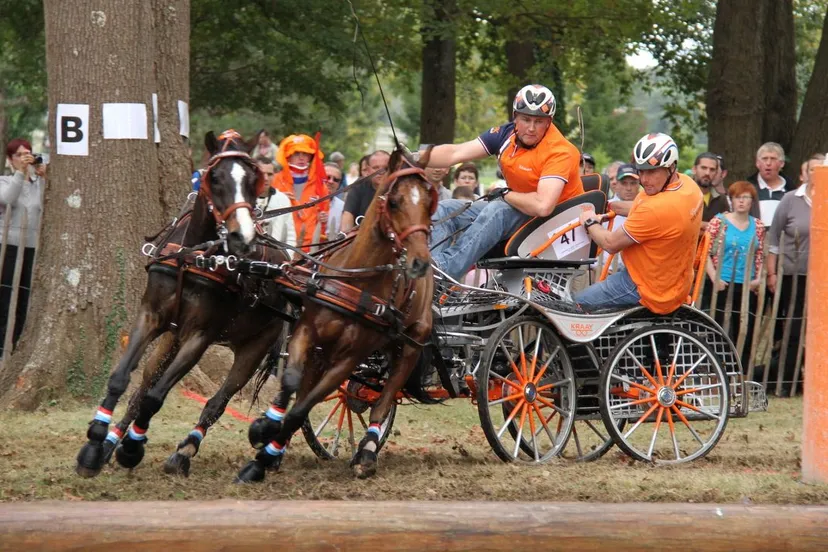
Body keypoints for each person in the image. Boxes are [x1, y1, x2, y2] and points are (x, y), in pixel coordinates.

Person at [424, 84, 583, 279]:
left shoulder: (560, 151)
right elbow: (455, 153)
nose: (531, 128)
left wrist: (506, 194)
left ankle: (443, 270)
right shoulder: (505, 134)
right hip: (520, 209)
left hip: (555, 221)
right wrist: (414, 157)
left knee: (497, 209)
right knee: (445, 208)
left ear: (549, 122)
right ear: (515, 116)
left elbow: (543, 206)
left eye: (539, 121)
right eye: (525, 119)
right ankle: (428, 276)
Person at [573, 133, 703, 314]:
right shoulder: (689, 187)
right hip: (673, 283)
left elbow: (610, 243)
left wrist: (588, 220)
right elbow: (643, 208)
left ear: (671, 167)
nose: (644, 180)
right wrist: (610, 206)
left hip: (642, 285)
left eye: (651, 172)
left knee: (576, 304)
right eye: (641, 171)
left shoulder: (656, 209)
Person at [764, 152, 823, 392]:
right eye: (812, 170)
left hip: (822, 279)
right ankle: (788, 381)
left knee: (820, 330)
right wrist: (772, 273)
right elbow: (774, 238)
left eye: (821, 170)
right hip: (793, 277)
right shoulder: (790, 200)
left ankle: (818, 380)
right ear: (803, 173)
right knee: (793, 329)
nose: (816, 175)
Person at [704, 181, 765, 363]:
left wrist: (758, 278)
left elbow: (760, 253)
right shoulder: (718, 222)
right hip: (721, 284)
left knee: (745, 329)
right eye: (737, 197)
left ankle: (742, 372)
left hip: (746, 285)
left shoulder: (758, 226)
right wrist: (714, 277)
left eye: (746, 197)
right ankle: (721, 370)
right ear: (731, 200)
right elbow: (705, 251)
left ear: (752, 201)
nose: (741, 201)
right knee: (720, 328)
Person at [0, 138, 45, 355]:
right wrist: (20, 173)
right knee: (4, 298)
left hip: (31, 249)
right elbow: (8, 199)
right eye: (19, 154)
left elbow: (46, 206)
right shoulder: (4, 181)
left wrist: (41, 174)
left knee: (24, 300)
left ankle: (16, 349)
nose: (24, 158)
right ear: (10, 159)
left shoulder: (38, 185)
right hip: (7, 246)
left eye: (27, 153)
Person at [271, 134, 329, 249]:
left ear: (310, 157)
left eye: (305, 154)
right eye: (296, 154)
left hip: (310, 249)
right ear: (288, 156)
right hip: (279, 245)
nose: (301, 158)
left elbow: (324, 219)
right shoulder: (275, 181)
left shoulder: (320, 186)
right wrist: (279, 199)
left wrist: (324, 219)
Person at [601, 163, 640, 273]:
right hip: (604, 270)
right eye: (624, 183)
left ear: (639, 184)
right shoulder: (603, 206)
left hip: (634, 274)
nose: (629, 188)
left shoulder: (648, 207)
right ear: (616, 184)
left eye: (633, 183)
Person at [340, 150, 391, 232]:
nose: (381, 172)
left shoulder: (399, 187)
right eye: (375, 168)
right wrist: (345, 235)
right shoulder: (358, 185)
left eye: (386, 168)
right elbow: (348, 214)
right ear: (368, 170)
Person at [747, 142, 795, 226]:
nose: (768, 163)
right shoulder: (747, 189)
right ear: (757, 163)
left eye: (773, 159)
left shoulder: (791, 190)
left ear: (782, 163)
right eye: (764, 159)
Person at [256, 157, 296, 248]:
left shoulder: (282, 199)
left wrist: (287, 256)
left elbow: (290, 235)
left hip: (275, 257)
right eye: (261, 173)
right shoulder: (243, 200)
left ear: (274, 175)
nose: (265, 178)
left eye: (269, 174)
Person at [693, 152, 729, 231]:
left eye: (712, 169)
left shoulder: (721, 199)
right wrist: (710, 225)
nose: (707, 173)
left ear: (716, 173)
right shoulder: (682, 194)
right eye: (703, 168)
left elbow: (726, 229)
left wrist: (704, 226)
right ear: (694, 169)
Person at [323, 162, 345, 236]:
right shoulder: (305, 202)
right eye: (327, 177)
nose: (331, 181)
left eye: (336, 179)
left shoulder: (343, 207)